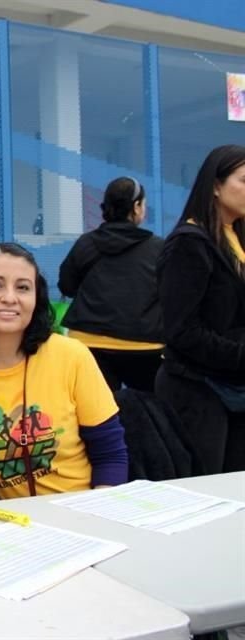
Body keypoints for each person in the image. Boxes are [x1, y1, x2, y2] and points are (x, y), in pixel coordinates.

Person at [0, 243, 127, 499]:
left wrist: (99, 510)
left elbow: (110, 455)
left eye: (23, 287)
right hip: (2, 523)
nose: (10, 297)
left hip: (81, 510)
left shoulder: (70, 356)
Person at [156, 144, 245, 474]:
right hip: (197, 389)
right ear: (216, 186)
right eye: (244, 180)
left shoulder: (235, 235)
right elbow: (182, 331)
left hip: (234, 383)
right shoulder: (189, 243)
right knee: (206, 486)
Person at [58, 176, 164, 391]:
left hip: (88, 344)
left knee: (95, 415)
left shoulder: (86, 243)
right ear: (136, 207)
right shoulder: (158, 248)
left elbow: (66, 286)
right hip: (145, 345)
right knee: (151, 413)